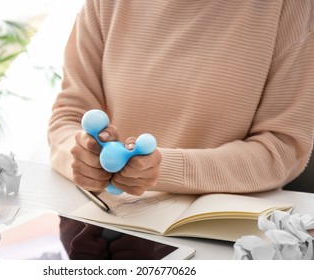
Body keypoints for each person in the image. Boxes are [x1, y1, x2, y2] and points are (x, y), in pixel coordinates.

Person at [48, 0, 314, 196]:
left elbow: (282, 149)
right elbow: (68, 116)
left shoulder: (290, 7)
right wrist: (82, 156)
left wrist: (162, 169)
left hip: (219, 231)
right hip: (107, 216)